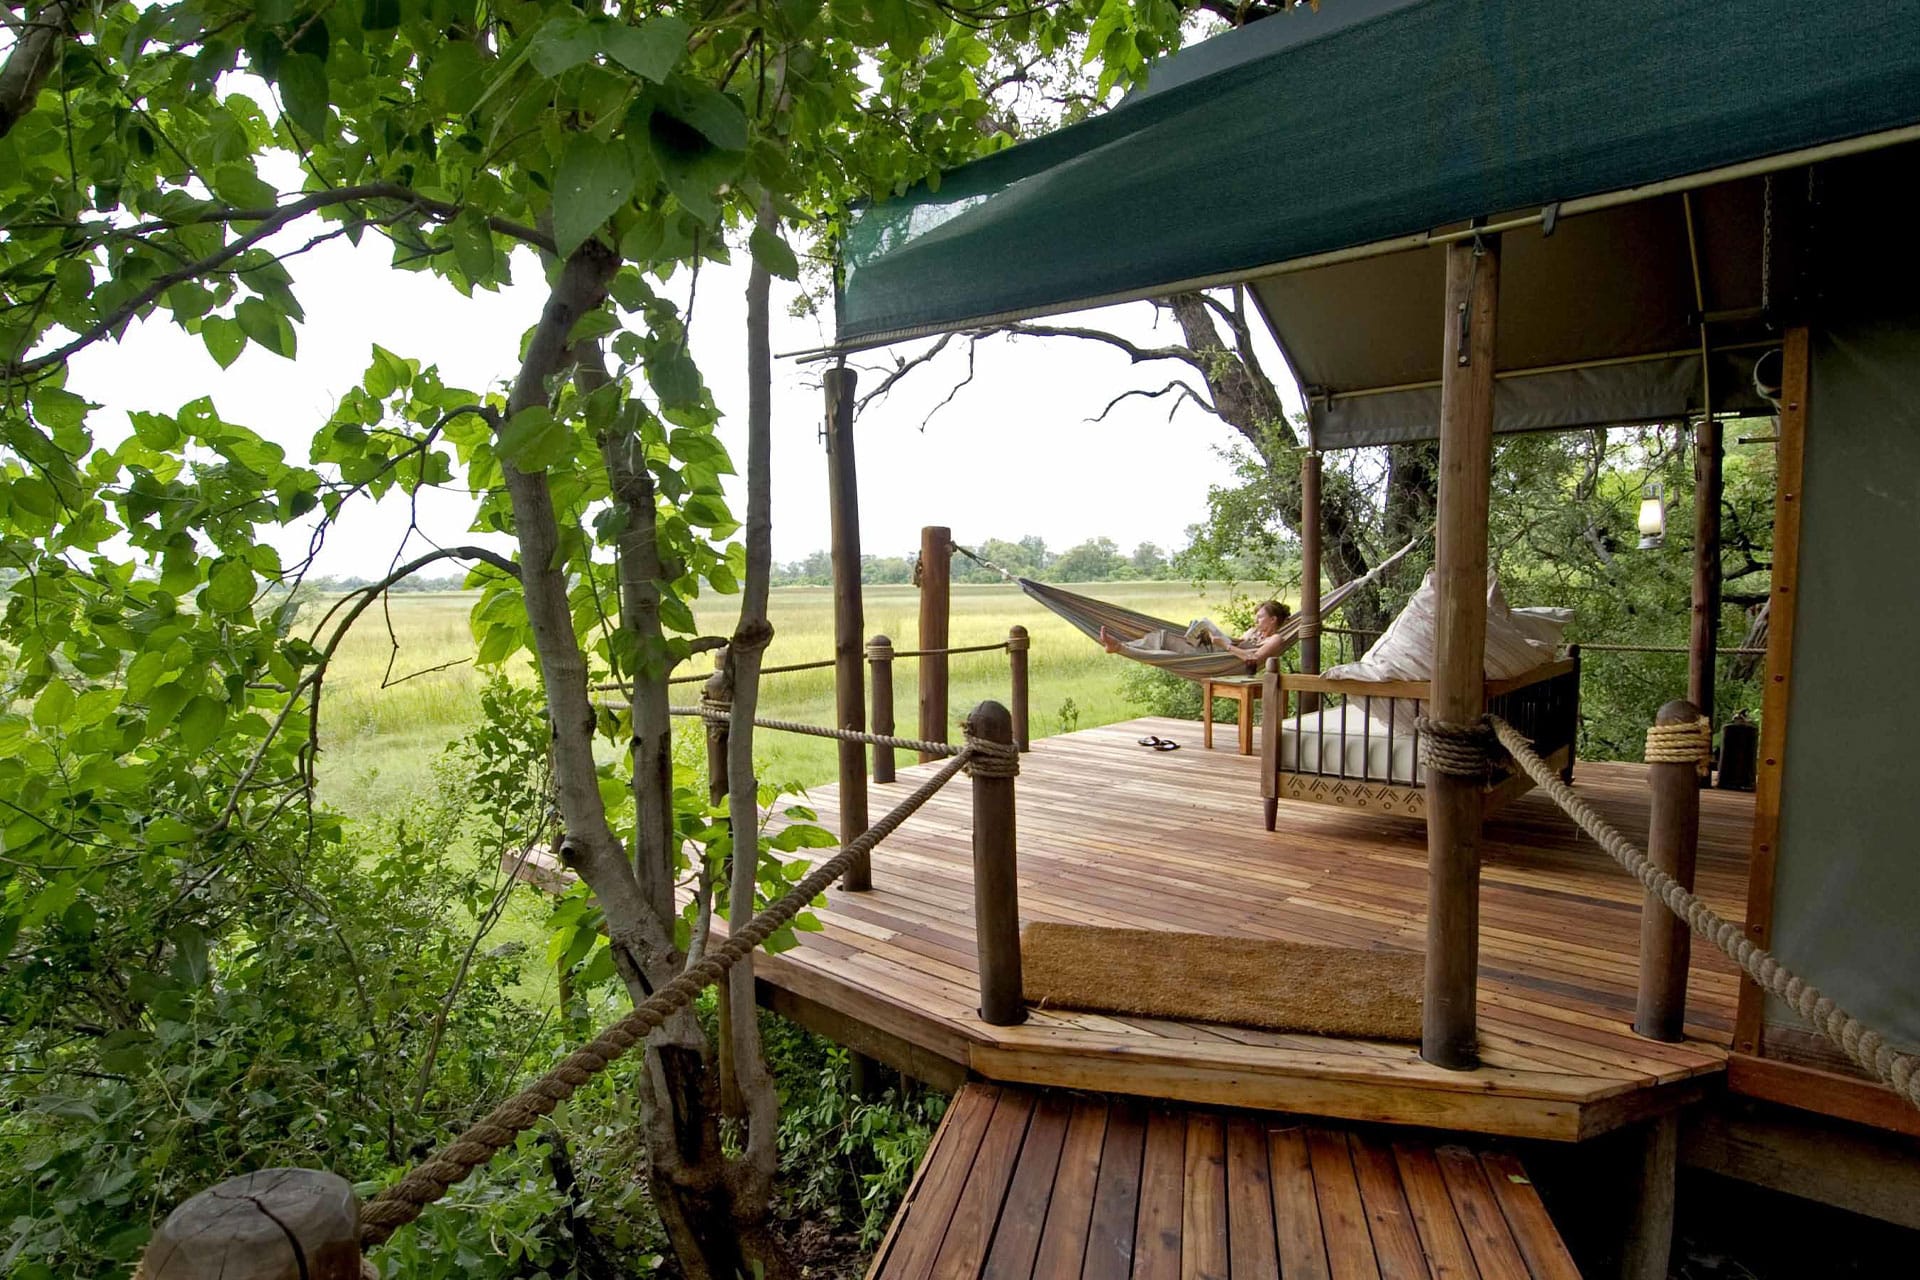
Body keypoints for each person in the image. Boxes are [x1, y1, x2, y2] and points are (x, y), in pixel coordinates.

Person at [1099, 600, 1291, 669]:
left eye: (1260, 617)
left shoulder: (1276, 639)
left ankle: (1120, 647)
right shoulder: (1253, 632)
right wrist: (1212, 635)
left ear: (1273, 619)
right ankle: (1121, 647)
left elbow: (1254, 658)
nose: (1256, 621)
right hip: (1213, 652)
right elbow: (1239, 642)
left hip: (1220, 661)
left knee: (1168, 646)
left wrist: (1225, 645)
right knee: (1166, 646)